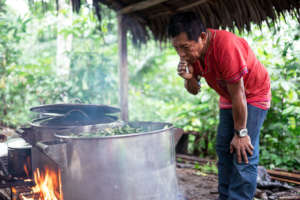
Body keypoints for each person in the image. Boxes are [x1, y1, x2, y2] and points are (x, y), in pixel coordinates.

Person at [168, 12, 271, 200]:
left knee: (243, 151)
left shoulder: (226, 46)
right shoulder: (193, 54)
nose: (181, 54)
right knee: (224, 148)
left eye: (185, 47)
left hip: (253, 94)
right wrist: (189, 79)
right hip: (229, 96)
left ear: (202, 37)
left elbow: (239, 93)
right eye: (176, 48)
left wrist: (241, 133)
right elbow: (194, 90)